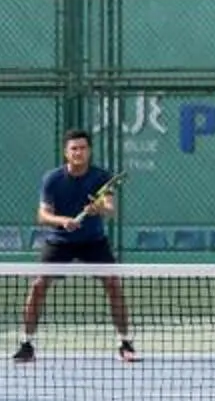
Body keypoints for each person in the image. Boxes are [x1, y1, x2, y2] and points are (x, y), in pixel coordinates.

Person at [14, 127, 136, 364]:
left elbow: (110, 209)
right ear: (66, 152)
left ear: (89, 151)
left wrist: (97, 208)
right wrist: (64, 222)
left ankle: (125, 341)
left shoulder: (101, 177)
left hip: (93, 241)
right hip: (59, 241)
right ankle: (26, 343)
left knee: (113, 285)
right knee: (38, 286)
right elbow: (42, 215)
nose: (78, 152)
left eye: (83, 148)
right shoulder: (52, 179)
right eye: (74, 149)